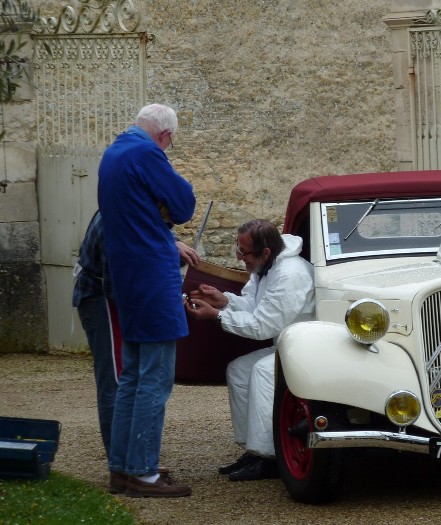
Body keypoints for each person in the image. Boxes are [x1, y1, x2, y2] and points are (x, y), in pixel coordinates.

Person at [98, 103, 196, 498]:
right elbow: (184, 205)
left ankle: (122, 468)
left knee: (133, 378)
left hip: (126, 276)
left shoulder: (113, 153)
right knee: (155, 379)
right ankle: (143, 472)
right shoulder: (147, 153)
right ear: (165, 135)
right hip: (153, 276)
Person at [185, 219, 314, 481]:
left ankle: (271, 458)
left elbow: (262, 325)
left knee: (262, 372)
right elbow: (255, 305)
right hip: (286, 345)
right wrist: (225, 300)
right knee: (239, 369)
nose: (240, 257)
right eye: (238, 249)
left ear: (265, 252)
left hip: (307, 349)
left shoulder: (290, 274)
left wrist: (217, 316)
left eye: (243, 252)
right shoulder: (267, 265)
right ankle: (254, 451)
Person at [72, 210, 200, 460]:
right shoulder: (119, 218)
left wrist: (172, 243)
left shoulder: (135, 207)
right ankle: (122, 461)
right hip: (102, 298)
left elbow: (150, 235)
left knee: (127, 378)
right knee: (116, 380)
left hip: (117, 298)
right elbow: (116, 280)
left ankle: (129, 460)